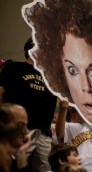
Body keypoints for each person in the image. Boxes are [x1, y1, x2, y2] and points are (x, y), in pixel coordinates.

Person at [0, 38, 58, 172]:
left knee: (46, 168)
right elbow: (1, 92)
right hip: (20, 128)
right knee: (13, 164)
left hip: (44, 131)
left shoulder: (51, 77)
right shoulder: (14, 67)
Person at [56, 98, 92, 172]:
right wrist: (63, 109)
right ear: (72, 112)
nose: (87, 112)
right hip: (78, 170)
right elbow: (60, 135)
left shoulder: (91, 126)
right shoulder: (67, 126)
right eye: (83, 110)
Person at [0, 103, 31, 171]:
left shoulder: (13, 156)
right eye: (20, 125)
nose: (26, 132)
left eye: (26, 125)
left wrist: (21, 153)